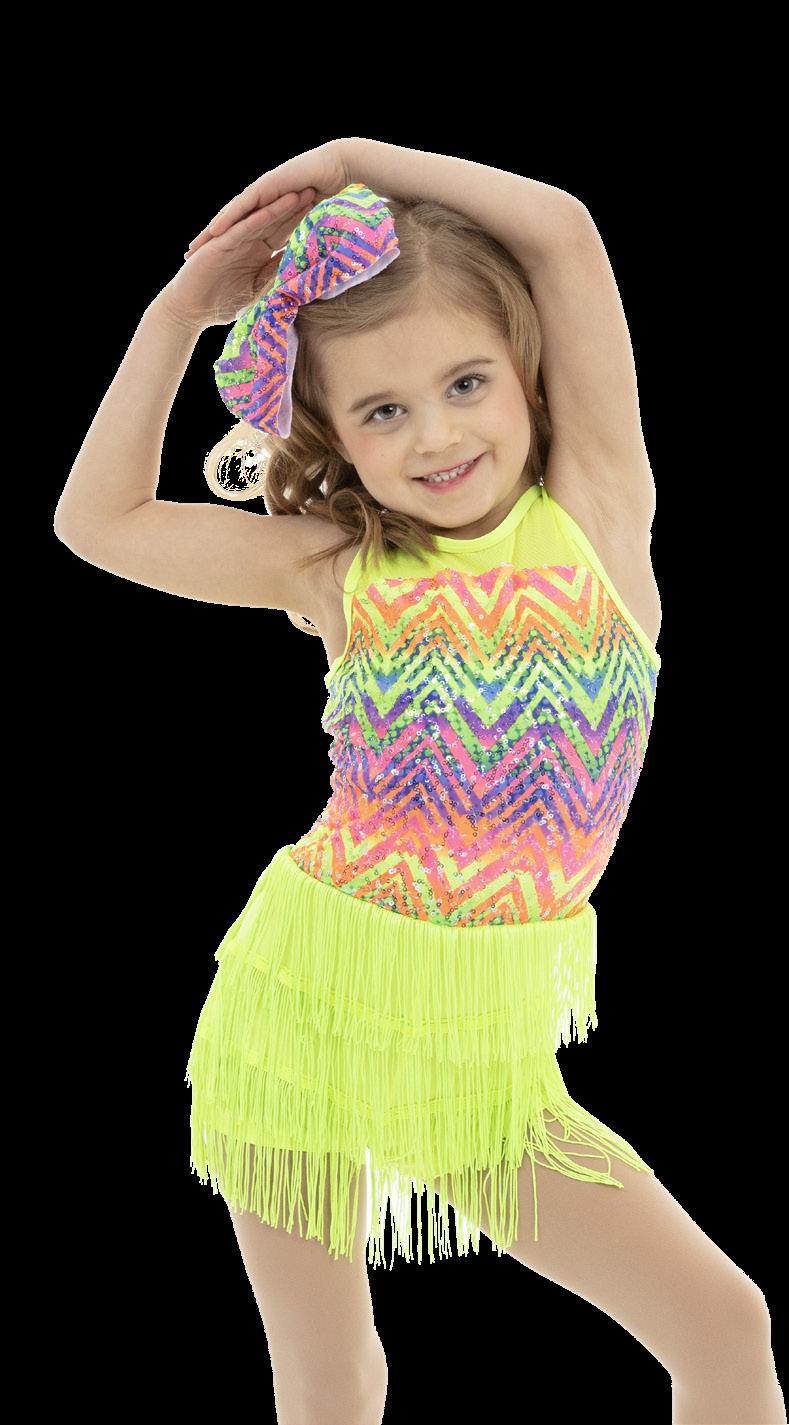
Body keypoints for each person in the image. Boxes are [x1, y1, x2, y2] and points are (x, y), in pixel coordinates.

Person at [54, 140, 785, 1425]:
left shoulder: (597, 514)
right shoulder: (339, 566)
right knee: (332, 1381)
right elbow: (97, 520)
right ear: (334, 436)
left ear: (528, 374)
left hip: (477, 1047)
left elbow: (563, 230)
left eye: (465, 383)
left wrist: (355, 158)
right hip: (300, 1005)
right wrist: (178, 313)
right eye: (383, 412)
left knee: (721, 1324)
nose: (438, 434)